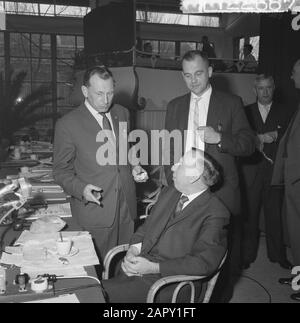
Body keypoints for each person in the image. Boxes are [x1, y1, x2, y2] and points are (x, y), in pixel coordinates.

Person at [164, 50, 256, 302]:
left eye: (198, 73)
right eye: (187, 75)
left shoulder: (231, 103)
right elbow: (168, 151)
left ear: (210, 72)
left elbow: (249, 144)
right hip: (184, 192)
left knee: (219, 260)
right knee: (184, 255)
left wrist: (220, 139)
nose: (193, 80)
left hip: (220, 193)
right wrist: (169, 182)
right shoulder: (174, 106)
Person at [102, 148, 229, 303]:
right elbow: (146, 228)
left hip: (170, 284)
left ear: (193, 176)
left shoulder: (216, 212)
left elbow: (203, 263)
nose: (174, 167)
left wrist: (154, 268)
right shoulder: (169, 193)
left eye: (181, 164)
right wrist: (133, 249)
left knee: (97, 295)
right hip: (140, 269)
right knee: (92, 290)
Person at [53, 65, 147, 262]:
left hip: (127, 208)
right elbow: (61, 171)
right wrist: (81, 189)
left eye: (110, 93)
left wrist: (135, 165)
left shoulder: (122, 113)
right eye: (99, 93)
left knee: (126, 268)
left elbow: (126, 148)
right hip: (96, 210)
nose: (106, 100)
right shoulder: (67, 124)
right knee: (98, 272)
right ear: (85, 91)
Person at [240, 74, 291, 269]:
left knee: (274, 215)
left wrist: (276, 135)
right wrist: (256, 139)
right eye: (261, 88)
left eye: (268, 87)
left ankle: (278, 255)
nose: (265, 92)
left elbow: (290, 137)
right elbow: (240, 137)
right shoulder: (245, 112)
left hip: (274, 172)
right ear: (254, 90)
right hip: (251, 172)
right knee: (250, 216)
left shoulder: (286, 111)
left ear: (274, 88)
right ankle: (247, 256)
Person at [272, 59, 300, 301]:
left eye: (294, 72)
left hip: (298, 180)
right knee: (296, 233)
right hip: (293, 181)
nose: (291, 77)